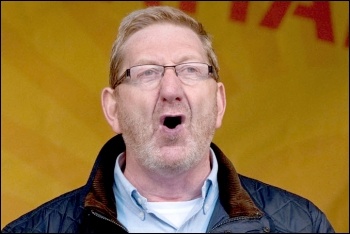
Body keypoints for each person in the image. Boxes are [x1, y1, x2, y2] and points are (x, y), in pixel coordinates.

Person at [2, 5, 335, 233]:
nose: (171, 89)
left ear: (219, 103)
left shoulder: (303, 224)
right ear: (113, 108)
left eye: (190, 69)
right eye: (147, 73)